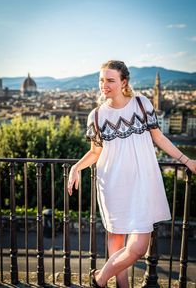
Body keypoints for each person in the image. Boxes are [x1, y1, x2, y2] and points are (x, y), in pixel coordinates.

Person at [68, 60, 196, 288]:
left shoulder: (142, 104)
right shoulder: (96, 116)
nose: (104, 85)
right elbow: (95, 152)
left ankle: (99, 279)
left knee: (137, 248)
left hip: (143, 184)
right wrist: (76, 167)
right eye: (101, 80)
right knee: (116, 242)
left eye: (110, 80)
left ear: (123, 82)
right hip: (112, 185)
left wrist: (187, 160)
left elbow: (159, 138)